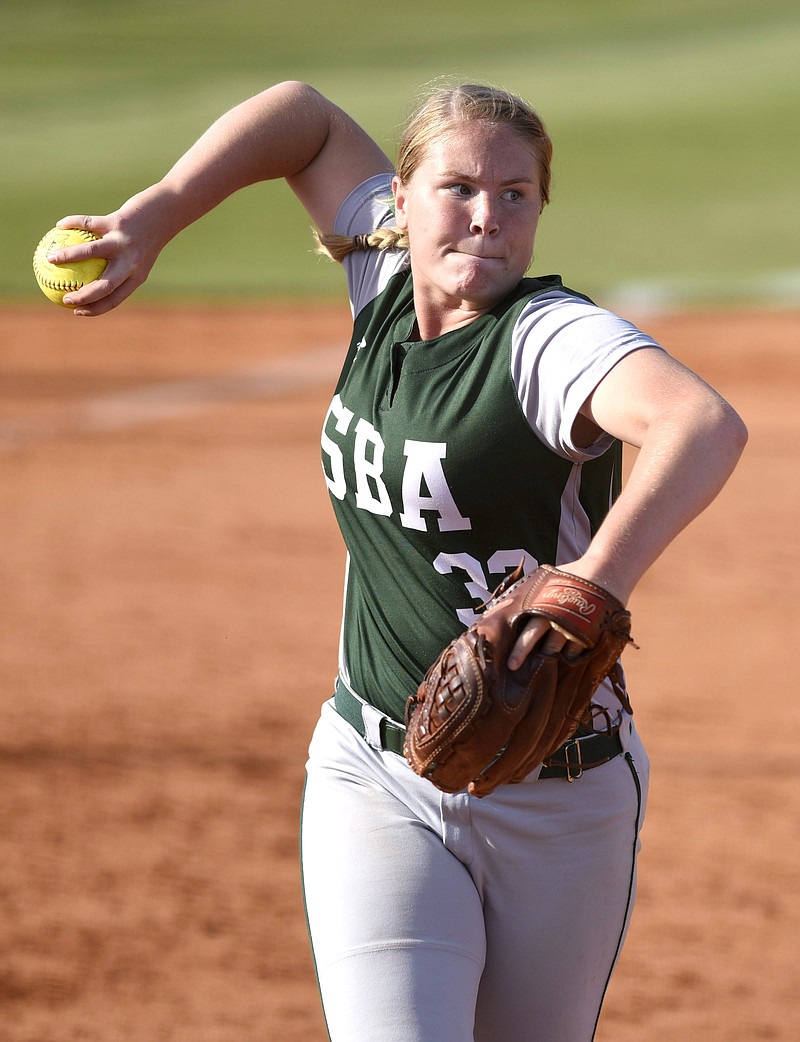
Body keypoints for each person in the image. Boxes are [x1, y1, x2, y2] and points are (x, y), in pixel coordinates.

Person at [49, 79, 747, 1041]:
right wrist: (155, 215)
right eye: (458, 187)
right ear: (401, 198)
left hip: (561, 796)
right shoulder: (378, 276)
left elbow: (700, 424)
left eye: (517, 195)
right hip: (376, 774)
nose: (486, 217)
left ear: (542, 210)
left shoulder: (545, 341)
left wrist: (592, 585)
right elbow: (301, 115)